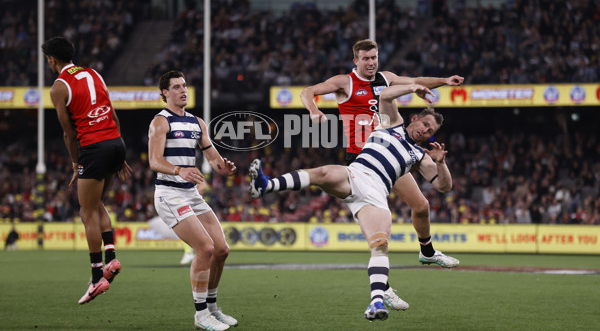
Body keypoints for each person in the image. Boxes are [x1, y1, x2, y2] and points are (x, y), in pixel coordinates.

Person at [251, 83, 454, 322]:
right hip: (355, 175)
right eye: (425, 124)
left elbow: (444, 186)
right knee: (324, 173)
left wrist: (441, 163)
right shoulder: (392, 122)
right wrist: (413, 87)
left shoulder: (420, 156)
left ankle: (376, 301)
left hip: (376, 194)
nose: (426, 130)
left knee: (380, 245)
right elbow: (387, 94)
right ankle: (265, 186)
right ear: (416, 118)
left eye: (430, 130)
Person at [299, 38, 461, 310]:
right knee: (379, 232)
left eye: (374, 57)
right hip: (363, 161)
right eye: (366, 58)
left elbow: (418, 79)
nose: (372, 62)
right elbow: (308, 91)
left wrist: (445, 80)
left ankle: (427, 252)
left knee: (421, 206)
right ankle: (383, 288)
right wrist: (313, 110)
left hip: (390, 153)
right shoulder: (345, 82)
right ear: (356, 61)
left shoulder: (386, 78)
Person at [42, 36, 132, 305]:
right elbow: (112, 114)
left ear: (52, 60)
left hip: (94, 147)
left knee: (86, 211)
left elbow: (69, 134)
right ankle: (111, 258)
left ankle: (96, 279)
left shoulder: (59, 87)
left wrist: (74, 164)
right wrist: (121, 154)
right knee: (97, 203)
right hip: (116, 142)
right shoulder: (94, 73)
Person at [148, 70, 237, 331]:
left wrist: (224, 167)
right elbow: (154, 161)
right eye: (176, 87)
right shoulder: (160, 122)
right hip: (169, 194)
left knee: (222, 249)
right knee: (205, 249)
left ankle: (212, 309)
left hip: (190, 193)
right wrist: (179, 170)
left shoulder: (197, 122)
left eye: (184, 86)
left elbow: (211, 155)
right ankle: (200, 316)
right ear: (165, 92)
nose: (183, 90)